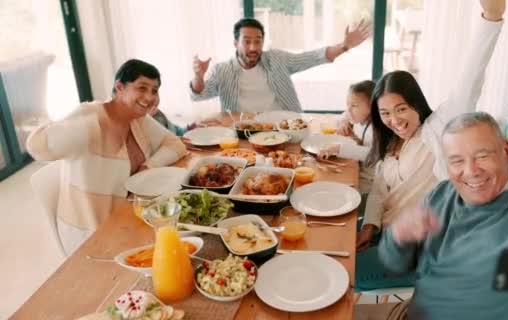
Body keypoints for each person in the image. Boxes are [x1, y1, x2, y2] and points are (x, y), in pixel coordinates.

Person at [356, 112, 508, 320]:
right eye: (456, 161)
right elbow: (396, 262)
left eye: (482, 156)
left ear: (506, 151)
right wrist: (400, 239)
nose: (470, 171)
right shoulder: (443, 195)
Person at [352, 0, 505, 294]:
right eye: (385, 113)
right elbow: (381, 192)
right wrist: (369, 227)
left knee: (346, 274)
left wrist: (492, 18)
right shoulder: (390, 144)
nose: (394, 120)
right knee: (333, 239)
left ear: (416, 105)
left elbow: (468, 83)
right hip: (389, 233)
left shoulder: (437, 131)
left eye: (401, 109)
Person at [26, 59, 187, 255]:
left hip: (128, 216)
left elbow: (176, 144)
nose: (150, 96)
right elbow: (36, 146)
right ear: (119, 87)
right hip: (91, 234)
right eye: (142, 88)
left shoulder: (137, 119)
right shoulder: (90, 120)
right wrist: (84, 124)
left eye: (154, 90)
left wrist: (149, 166)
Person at [189, 18, 371, 112]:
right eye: (247, 41)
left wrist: (345, 45)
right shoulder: (222, 70)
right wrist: (198, 76)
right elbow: (199, 95)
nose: (253, 47)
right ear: (236, 43)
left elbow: (313, 57)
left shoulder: (276, 60)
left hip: (283, 128)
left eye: (258, 41)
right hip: (242, 132)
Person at [319, 80, 375, 193]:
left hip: (369, 180)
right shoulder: (359, 118)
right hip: (356, 167)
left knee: (331, 186)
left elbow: (371, 155)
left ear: (371, 107)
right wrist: (343, 122)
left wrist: (339, 149)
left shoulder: (376, 129)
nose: (348, 109)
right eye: (347, 104)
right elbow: (344, 115)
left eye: (354, 106)